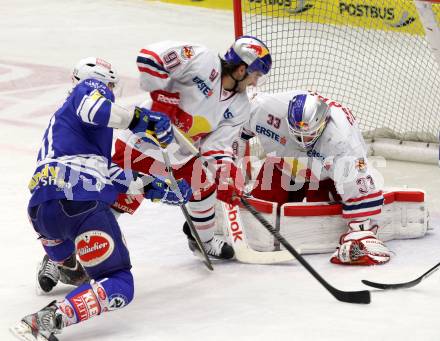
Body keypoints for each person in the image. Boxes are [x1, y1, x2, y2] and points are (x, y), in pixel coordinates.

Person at [11, 57, 191, 341]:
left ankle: (61, 263)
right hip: (79, 205)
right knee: (119, 282)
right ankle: (52, 316)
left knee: (77, 274)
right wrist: (138, 119)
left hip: (43, 215)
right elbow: (94, 107)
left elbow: (105, 171)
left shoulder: (65, 128)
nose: (109, 91)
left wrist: (154, 187)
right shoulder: (89, 91)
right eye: (109, 86)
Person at [111, 36, 272, 260]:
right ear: (241, 69)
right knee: (113, 197)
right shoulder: (202, 59)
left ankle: (203, 241)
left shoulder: (241, 106)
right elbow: (150, 58)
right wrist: (163, 99)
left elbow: (216, 147)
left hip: (181, 156)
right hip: (140, 145)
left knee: (204, 191)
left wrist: (226, 174)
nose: (255, 83)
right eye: (255, 75)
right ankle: (70, 249)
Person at [239, 90, 391, 265]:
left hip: (323, 175)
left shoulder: (342, 141)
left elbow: (360, 191)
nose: (302, 140)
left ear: (324, 123)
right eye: (296, 133)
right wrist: (233, 171)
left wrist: (360, 232)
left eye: (309, 134)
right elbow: (236, 124)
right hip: (283, 163)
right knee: (260, 206)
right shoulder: (265, 109)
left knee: (319, 210)